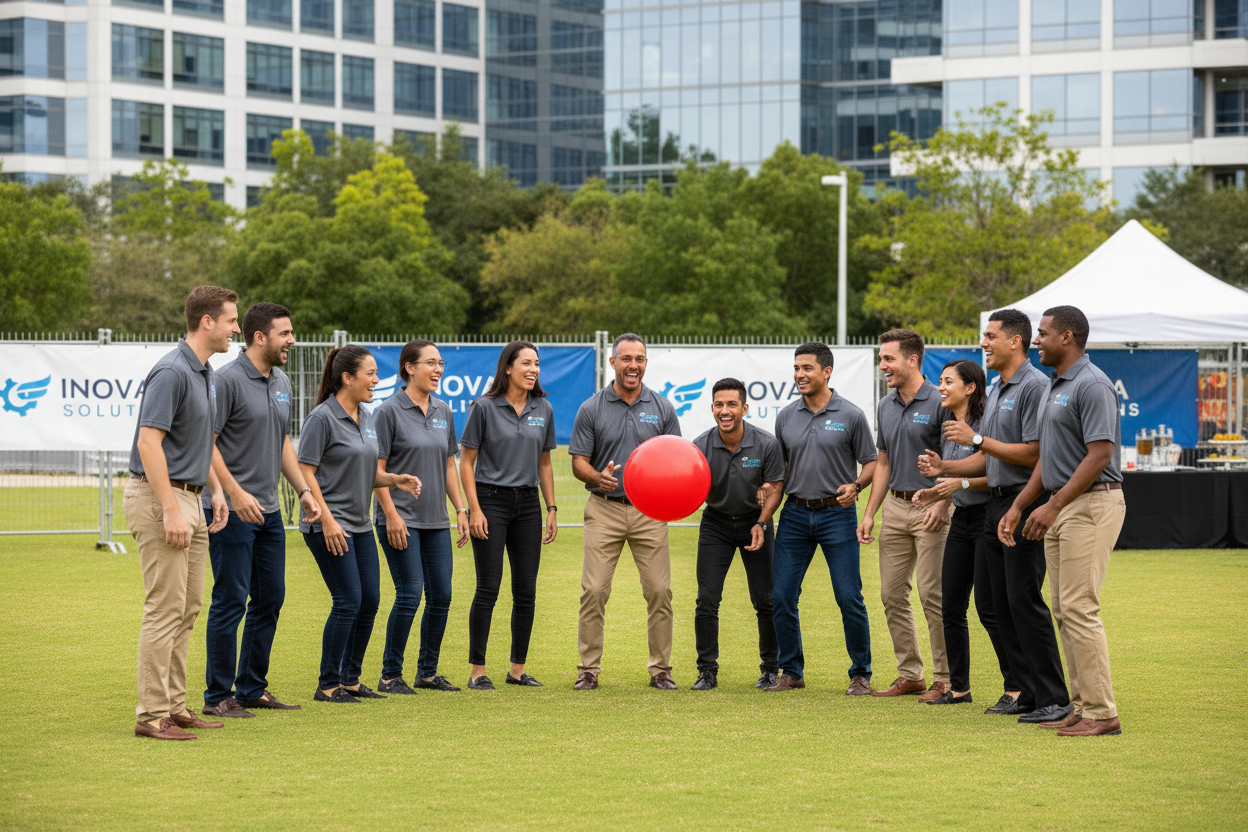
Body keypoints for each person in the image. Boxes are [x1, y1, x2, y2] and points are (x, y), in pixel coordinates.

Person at [919, 309, 1071, 723]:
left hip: (1021, 500)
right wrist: (947, 472)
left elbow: (1037, 453)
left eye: (990, 336)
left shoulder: (1034, 386)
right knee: (996, 604)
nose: (983, 343)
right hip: (997, 505)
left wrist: (977, 440)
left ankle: (1055, 697)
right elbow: (993, 458)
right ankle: (1025, 691)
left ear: (1014, 341)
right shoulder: (1003, 387)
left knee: (1024, 600)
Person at [999, 305, 1125, 737]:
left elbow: (1100, 455)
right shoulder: (1056, 384)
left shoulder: (1091, 384)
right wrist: (1021, 504)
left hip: (1092, 504)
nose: (1037, 340)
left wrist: (1054, 506)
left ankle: (1102, 712)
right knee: (1063, 609)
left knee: (1079, 608)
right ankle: (1083, 704)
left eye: (1044, 333)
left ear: (1068, 337)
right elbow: (1048, 459)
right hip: (1063, 504)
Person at [124, 285, 238, 740]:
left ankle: (174, 705)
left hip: (191, 498)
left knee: (188, 607)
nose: (236, 329)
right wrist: (171, 509)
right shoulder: (171, 371)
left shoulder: (206, 371)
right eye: (231, 320)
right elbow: (148, 443)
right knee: (164, 607)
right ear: (206, 321)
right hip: (161, 499)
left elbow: (199, 441)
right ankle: (151, 715)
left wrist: (217, 491)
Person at [202, 303, 321, 719]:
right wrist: (233, 493)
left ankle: (251, 688)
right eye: (285, 333)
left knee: (270, 597)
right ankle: (218, 696)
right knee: (231, 598)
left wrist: (304, 489)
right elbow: (207, 443)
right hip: (230, 510)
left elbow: (282, 440)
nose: (292, 340)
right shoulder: (227, 380)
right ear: (259, 337)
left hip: (269, 511)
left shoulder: (283, 380)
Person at [298, 345, 422, 704]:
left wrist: (394, 480)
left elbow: (367, 473)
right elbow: (305, 471)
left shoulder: (367, 417)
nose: (376, 379)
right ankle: (327, 684)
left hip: (361, 525)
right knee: (348, 600)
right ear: (347, 377)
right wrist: (329, 521)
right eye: (369, 373)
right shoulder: (322, 418)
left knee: (370, 600)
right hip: (328, 525)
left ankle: (350, 679)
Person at [569, 333, 681, 690]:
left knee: (660, 591)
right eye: (627, 359)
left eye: (640, 359)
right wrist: (596, 477)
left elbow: (676, 458)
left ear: (645, 363)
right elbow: (578, 463)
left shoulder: (662, 407)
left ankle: (661, 670)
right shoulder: (592, 407)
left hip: (650, 512)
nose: (634, 365)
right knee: (594, 590)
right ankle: (588, 669)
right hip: (604, 509)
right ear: (613, 362)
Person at [765, 342, 877, 694]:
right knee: (782, 595)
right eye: (796, 368)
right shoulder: (785, 416)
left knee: (848, 596)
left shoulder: (852, 415)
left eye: (807, 368)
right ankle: (792, 671)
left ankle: (860, 673)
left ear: (826, 371)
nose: (799, 374)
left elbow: (872, 462)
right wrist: (767, 488)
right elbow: (780, 468)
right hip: (795, 514)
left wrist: (856, 486)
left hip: (838, 516)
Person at [857, 329, 952, 702]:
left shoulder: (942, 400)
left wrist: (943, 502)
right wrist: (869, 514)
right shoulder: (885, 405)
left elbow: (956, 460)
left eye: (888, 359)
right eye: (881, 359)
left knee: (933, 594)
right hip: (895, 507)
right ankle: (910, 674)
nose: (883, 366)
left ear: (913, 360)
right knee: (891, 594)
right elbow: (883, 462)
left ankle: (945, 678)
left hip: (931, 505)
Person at [459, 342, 559, 690]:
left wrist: (552, 508)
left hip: (528, 505)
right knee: (488, 588)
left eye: (537, 364)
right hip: (490, 501)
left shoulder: (543, 408)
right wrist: (475, 509)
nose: (533, 370)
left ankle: (517, 670)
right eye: (526, 363)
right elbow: (466, 462)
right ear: (508, 368)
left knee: (526, 591)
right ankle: (477, 671)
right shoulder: (483, 408)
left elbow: (545, 463)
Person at [373, 340, 470, 696]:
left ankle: (427, 673)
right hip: (401, 520)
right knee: (410, 594)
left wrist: (460, 509)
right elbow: (376, 470)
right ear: (409, 368)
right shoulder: (387, 412)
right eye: (430, 363)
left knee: (441, 596)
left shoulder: (444, 411)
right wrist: (391, 514)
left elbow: (448, 464)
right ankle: (389, 675)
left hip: (435, 520)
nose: (438, 369)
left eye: (440, 363)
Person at [689, 378, 785, 691]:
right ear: (712, 408)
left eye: (732, 404)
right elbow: (685, 487)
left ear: (744, 408)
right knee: (707, 599)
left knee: (766, 600)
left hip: (754, 523)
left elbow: (776, 488)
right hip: (715, 524)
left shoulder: (765, 444)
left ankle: (771, 669)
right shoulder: (700, 446)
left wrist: (762, 520)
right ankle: (707, 672)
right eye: (719, 404)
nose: (725, 411)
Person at [912, 360, 991, 705]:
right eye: (940, 381)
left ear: (970, 387)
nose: (941, 387)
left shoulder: (985, 424)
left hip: (990, 515)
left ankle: (1017, 688)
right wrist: (937, 495)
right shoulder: (948, 424)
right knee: (951, 606)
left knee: (991, 609)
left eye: (948, 382)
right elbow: (954, 479)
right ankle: (959, 688)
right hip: (962, 519)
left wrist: (952, 478)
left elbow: (999, 473)